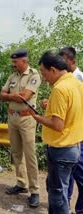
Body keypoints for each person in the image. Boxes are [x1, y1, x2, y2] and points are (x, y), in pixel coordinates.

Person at [29, 51, 83, 213]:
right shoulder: (77, 84)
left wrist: (36, 116)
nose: (44, 79)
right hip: (74, 146)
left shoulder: (60, 89)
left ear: (52, 70)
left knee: (58, 195)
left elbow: (57, 124)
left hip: (61, 149)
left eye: (44, 74)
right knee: (58, 190)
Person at [0, 49, 41, 207]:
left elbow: (25, 96)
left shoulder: (34, 75)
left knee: (30, 155)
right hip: (13, 117)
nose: (14, 64)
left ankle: (35, 190)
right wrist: (12, 96)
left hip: (27, 118)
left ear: (24, 61)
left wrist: (10, 96)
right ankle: (21, 183)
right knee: (16, 153)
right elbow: (1, 95)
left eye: (16, 62)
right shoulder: (13, 76)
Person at [59, 47, 83, 214]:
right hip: (68, 133)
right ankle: (65, 207)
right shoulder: (65, 79)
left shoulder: (79, 79)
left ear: (70, 60)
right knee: (67, 176)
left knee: (79, 174)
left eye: (62, 61)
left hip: (77, 134)